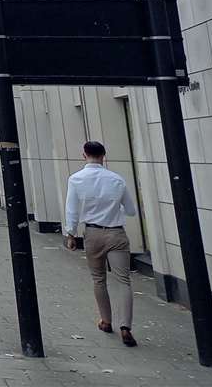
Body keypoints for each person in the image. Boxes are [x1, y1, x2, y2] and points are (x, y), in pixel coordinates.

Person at [63, 140, 138, 347]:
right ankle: (126, 327)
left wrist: (71, 234)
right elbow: (131, 210)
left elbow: (72, 210)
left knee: (98, 279)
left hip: (93, 233)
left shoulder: (76, 179)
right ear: (104, 155)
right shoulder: (116, 180)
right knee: (124, 280)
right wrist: (116, 211)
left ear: (83, 155)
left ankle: (106, 321)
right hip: (116, 233)